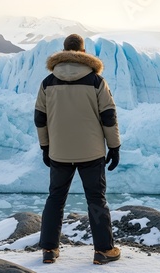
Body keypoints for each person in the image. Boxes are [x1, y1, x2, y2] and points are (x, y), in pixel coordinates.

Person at [34, 34, 121, 265]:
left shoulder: (48, 82)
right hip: (91, 153)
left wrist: (45, 147)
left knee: (55, 198)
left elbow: (40, 118)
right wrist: (114, 146)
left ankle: (49, 250)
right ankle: (104, 251)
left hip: (59, 152)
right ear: (83, 53)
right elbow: (109, 116)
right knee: (96, 199)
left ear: (64, 52)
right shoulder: (96, 81)